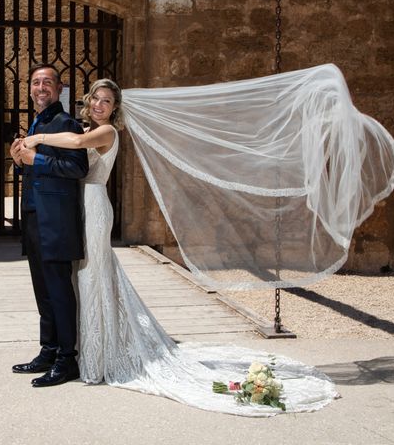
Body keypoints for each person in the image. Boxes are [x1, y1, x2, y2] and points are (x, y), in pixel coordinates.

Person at [21, 77, 338, 415]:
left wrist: (36, 139)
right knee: (85, 279)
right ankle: (85, 345)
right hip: (80, 207)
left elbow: (76, 142)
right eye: (96, 99)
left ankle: (93, 350)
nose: (100, 105)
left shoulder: (107, 133)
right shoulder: (88, 127)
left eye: (107, 102)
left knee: (93, 276)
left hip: (95, 207)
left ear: (116, 110)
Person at [9, 63, 88, 387]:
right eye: (35, 82)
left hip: (55, 219)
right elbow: (33, 168)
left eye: (47, 83)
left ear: (59, 89)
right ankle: (49, 349)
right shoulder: (38, 123)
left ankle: (67, 359)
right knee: (43, 290)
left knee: (58, 289)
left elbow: (77, 167)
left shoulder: (66, 122)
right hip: (33, 216)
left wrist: (35, 159)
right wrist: (19, 161)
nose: (40, 87)